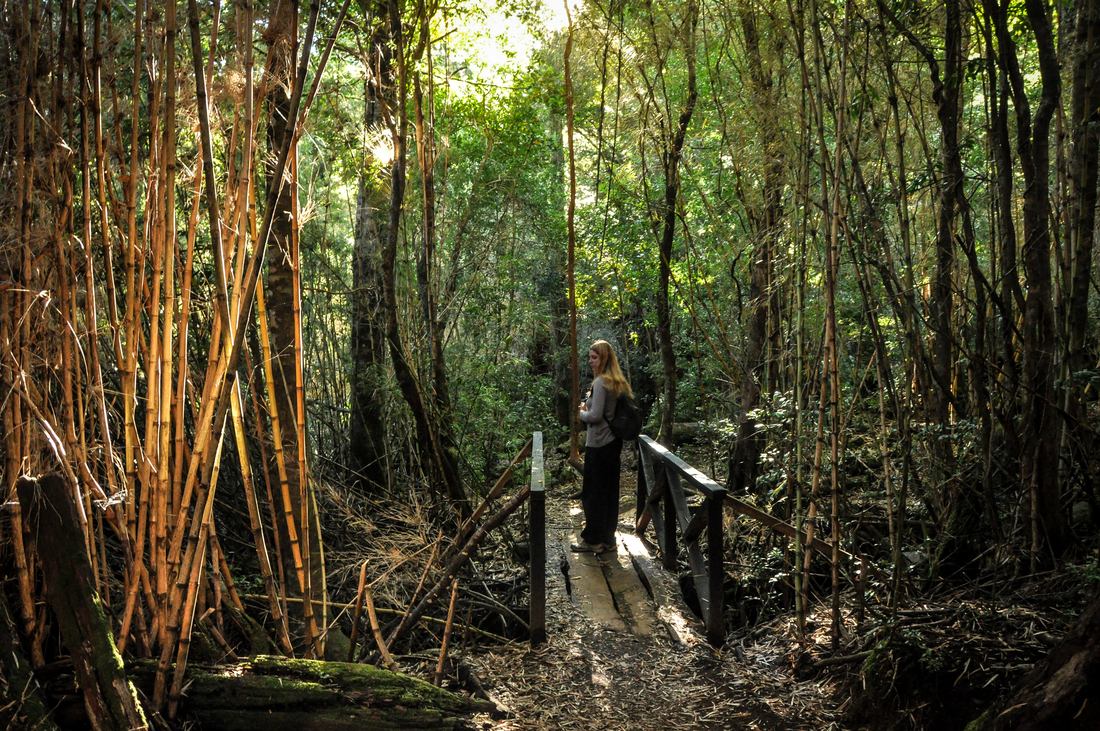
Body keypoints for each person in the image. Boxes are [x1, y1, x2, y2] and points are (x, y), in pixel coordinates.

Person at [572, 339, 632, 554]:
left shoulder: (600, 383)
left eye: (594, 357)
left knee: (593, 493)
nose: (590, 361)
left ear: (604, 358)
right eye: (590, 357)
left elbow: (596, 416)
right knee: (609, 492)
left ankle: (593, 541)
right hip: (613, 444)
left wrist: (581, 413)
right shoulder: (617, 381)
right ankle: (608, 539)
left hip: (598, 444)